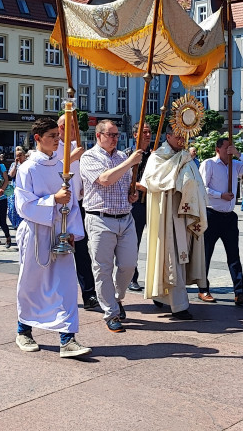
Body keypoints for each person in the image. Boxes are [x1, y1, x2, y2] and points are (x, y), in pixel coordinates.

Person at [13, 118, 91, 358]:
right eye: (53, 136)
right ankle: (23, 331)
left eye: (59, 135)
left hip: (61, 231)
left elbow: (73, 202)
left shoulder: (63, 165)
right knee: (32, 283)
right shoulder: (28, 168)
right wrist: (53, 200)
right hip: (37, 231)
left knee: (66, 285)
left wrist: (72, 233)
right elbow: (23, 204)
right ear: (38, 139)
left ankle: (68, 339)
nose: (59, 140)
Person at [79, 120, 143, 333]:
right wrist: (130, 163)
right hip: (100, 218)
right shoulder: (89, 157)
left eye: (117, 135)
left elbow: (124, 185)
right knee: (102, 268)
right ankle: (111, 313)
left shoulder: (122, 156)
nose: (115, 138)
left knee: (128, 265)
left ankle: (116, 297)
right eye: (111, 134)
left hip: (125, 217)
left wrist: (132, 194)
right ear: (99, 136)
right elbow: (105, 179)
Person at [141, 127, 209, 319]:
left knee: (181, 256)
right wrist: (181, 162)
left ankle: (163, 296)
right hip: (168, 213)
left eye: (184, 137)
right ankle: (179, 306)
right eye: (178, 136)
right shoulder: (158, 156)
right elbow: (153, 180)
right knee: (170, 258)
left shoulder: (184, 156)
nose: (181, 140)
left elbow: (196, 183)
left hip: (185, 214)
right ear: (168, 136)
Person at [197, 137, 243, 305]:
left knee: (234, 255)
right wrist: (220, 195)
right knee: (206, 254)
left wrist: (238, 154)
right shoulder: (209, 164)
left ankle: (239, 292)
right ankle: (203, 289)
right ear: (217, 150)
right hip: (212, 214)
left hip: (229, 216)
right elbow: (202, 187)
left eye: (231, 148)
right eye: (226, 149)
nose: (229, 152)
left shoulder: (235, 165)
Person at [58, 115, 98, 310]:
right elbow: (55, 167)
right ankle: (57, 295)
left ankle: (89, 294)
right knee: (57, 253)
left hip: (78, 204)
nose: (76, 130)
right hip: (58, 207)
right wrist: (74, 156)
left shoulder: (78, 145)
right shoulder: (55, 146)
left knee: (82, 252)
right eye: (72, 126)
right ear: (62, 127)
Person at [127, 122, 153, 293]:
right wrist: (138, 185)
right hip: (135, 204)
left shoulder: (155, 155)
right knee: (132, 243)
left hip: (152, 202)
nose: (148, 135)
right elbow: (123, 178)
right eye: (144, 132)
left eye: (149, 132)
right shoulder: (128, 154)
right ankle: (131, 277)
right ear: (135, 135)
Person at [6, 146, 28, 233]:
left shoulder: (27, 164)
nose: (18, 157)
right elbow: (11, 175)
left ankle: (22, 223)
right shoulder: (14, 164)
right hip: (15, 187)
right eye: (17, 155)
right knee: (12, 207)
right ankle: (15, 223)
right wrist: (15, 165)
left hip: (24, 187)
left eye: (20, 155)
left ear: (24, 155)